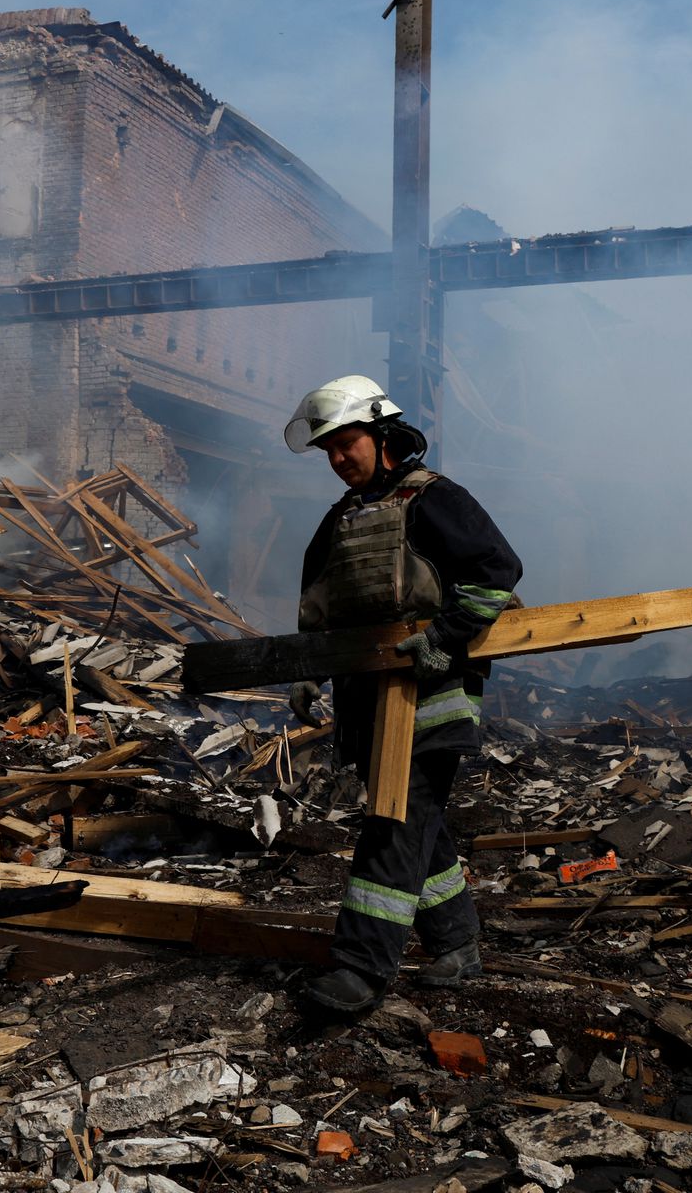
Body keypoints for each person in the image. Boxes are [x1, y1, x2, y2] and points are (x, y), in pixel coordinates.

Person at [281, 375, 522, 1016]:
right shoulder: (342, 519)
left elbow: (498, 572)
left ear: (383, 436)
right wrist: (308, 666)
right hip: (367, 705)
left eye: (346, 442)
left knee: (392, 821)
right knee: (420, 826)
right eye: (328, 449)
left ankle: (360, 969)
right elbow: (320, 604)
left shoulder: (436, 500)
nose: (337, 459)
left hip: (432, 698)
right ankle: (458, 943)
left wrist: (447, 634)